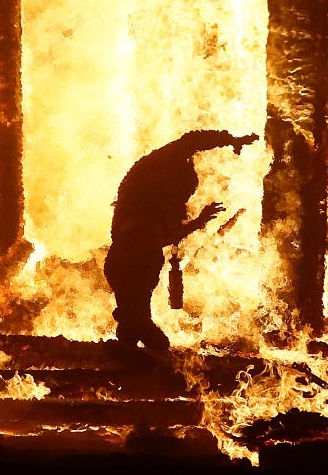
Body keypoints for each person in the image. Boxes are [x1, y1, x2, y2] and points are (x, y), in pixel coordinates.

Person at [104, 129, 258, 351]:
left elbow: (162, 236)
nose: (185, 198)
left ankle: (127, 350)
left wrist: (200, 221)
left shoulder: (140, 202)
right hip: (136, 262)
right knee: (148, 332)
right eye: (185, 192)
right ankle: (136, 351)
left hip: (122, 262)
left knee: (133, 323)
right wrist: (230, 139)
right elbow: (191, 141)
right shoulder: (150, 173)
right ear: (173, 180)